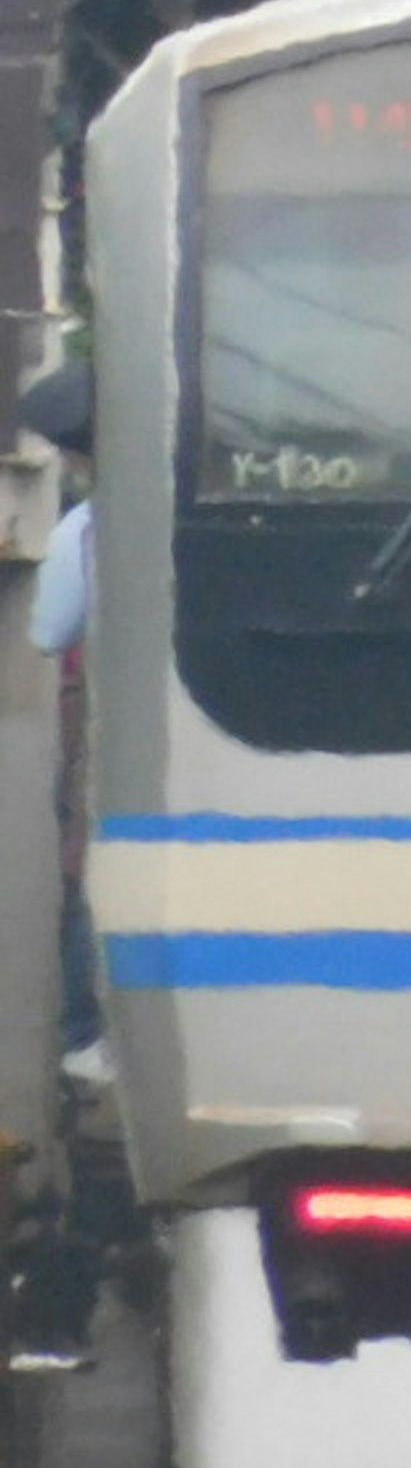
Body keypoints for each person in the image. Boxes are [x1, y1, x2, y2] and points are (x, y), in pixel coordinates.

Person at [19, 358, 102, 1079]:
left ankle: (86, 1037)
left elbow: (48, 632)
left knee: (95, 871)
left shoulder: (87, 528)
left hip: (118, 734)